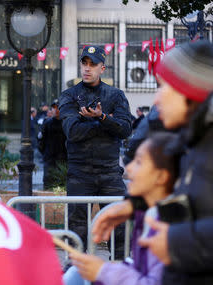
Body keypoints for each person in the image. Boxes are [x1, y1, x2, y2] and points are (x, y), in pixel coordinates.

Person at [92, 40, 213, 284]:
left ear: (190, 91)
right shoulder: (193, 138)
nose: (157, 98)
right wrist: (134, 205)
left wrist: (177, 242)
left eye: (164, 87)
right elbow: (193, 203)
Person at [64, 132, 178, 285]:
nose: (128, 168)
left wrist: (103, 272)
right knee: (74, 274)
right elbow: (139, 266)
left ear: (161, 177)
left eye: (139, 162)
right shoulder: (148, 213)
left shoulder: (167, 224)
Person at [59, 45, 132, 258]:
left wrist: (99, 118)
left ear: (103, 68)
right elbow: (72, 132)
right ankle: (77, 271)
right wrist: (105, 123)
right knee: (77, 227)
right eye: (84, 63)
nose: (87, 69)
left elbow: (125, 129)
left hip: (109, 172)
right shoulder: (69, 96)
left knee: (119, 224)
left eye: (93, 64)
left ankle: (121, 271)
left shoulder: (116, 95)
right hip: (80, 172)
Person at [38, 99, 67, 189]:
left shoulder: (67, 123)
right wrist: (46, 154)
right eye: (54, 108)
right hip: (50, 159)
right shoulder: (47, 123)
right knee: (48, 183)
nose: (56, 110)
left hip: (64, 159)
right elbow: (41, 140)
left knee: (62, 184)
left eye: (58, 107)